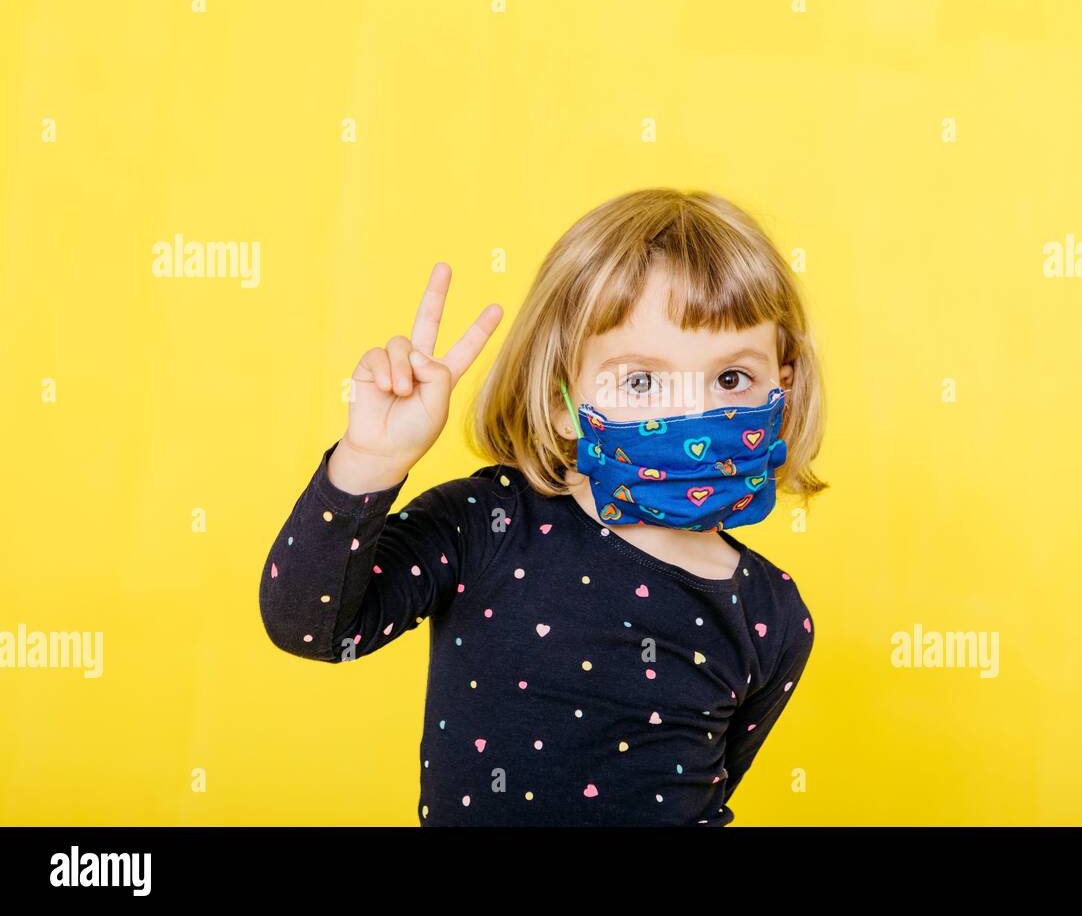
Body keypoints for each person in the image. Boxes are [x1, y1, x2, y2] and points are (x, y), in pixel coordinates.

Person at [259, 187, 828, 825]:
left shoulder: (772, 614)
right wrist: (370, 459)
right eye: (640, 380)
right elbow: (311, 627)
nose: (690, 413)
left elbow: (713, 791)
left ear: (782, 387)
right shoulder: (486, 523)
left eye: (730, 378)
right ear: (560, 399)